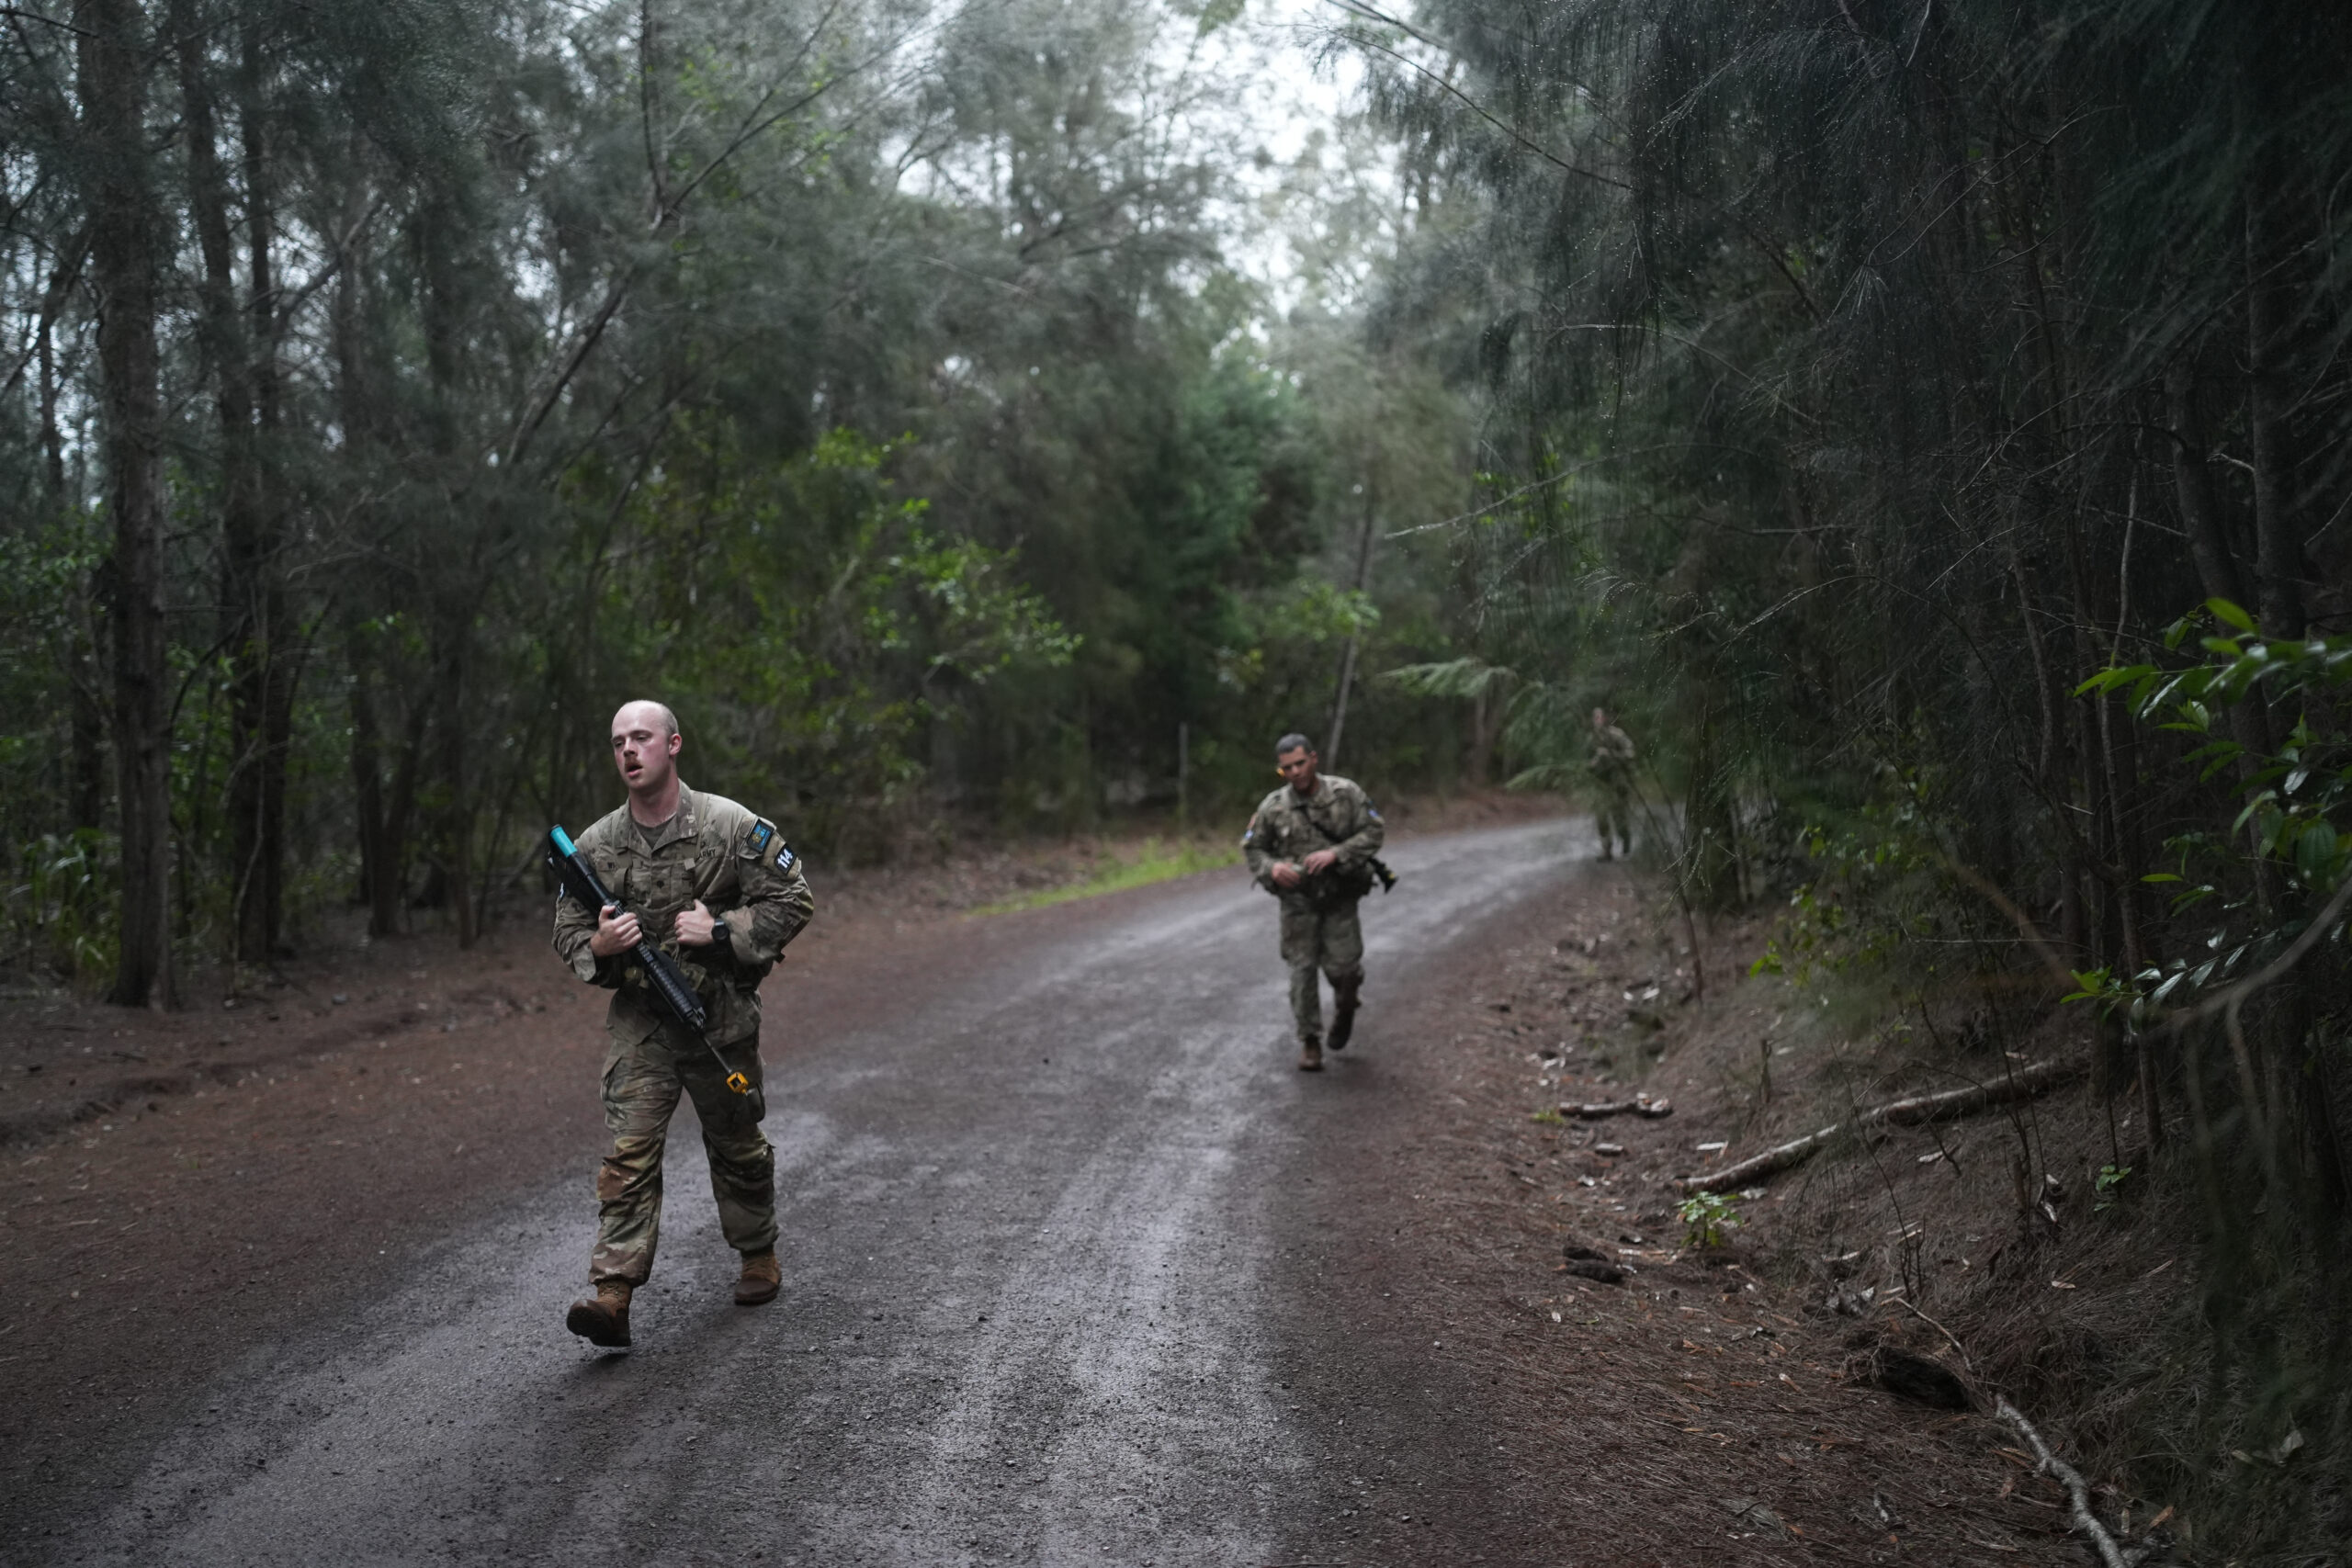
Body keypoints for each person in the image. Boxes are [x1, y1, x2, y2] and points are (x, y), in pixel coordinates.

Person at [550, 700, 815, 1348]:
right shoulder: (595, 844)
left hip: (716, 1019)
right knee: (629, 1155)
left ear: (673, 745)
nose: (628, 750)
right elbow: (567, 930)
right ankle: (613, 1294)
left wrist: (721, 929)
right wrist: (600, 946)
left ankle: (758, 1253)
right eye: (618, 741)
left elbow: (793, 899)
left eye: (641, 737)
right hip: (641, 1024)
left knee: (737, 1146)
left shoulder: (729, 824)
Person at [1241, 733, 1385, 1072]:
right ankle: (1309, 1041)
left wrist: (1337, 853)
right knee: (1301, 970)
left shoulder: (1345, 794)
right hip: (1298, 901)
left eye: (1300, 764)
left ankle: (1346, 1006)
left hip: (1339, 896)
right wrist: (1272, 868)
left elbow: (1374, 831)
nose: (1294, 772)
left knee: (1343, 969)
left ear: (1314, 759)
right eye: (1286, 768)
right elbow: (1253, 848)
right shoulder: (1273, 807)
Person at [1589, 706, 1637, 860]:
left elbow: (1630, 754)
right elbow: (1585, 760)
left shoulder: (1617, 735)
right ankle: (1607, 850)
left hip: (1617, 783)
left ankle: (1626, 845)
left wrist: (1610, 755)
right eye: (1595, 717)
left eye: (1599, 717)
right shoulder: (1592, 739)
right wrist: (1593, 763)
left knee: (1619, 817)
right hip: (1600, 784)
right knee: (1601, 817)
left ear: (1605, 718)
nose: (1597, 721)